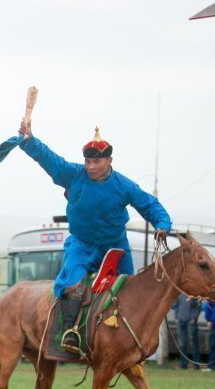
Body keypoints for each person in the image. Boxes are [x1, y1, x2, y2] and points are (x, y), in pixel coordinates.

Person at [16, 122, 171, 354]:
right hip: (82, 244)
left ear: (109, 161)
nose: (91, 166)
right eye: (88, 161)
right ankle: (70, 331)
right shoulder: (73, 175)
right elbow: (49, 159)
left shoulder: (124, 185)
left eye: (96, 161)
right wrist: (29, 140)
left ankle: (129, 341)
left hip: (116, 246)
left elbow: (149, 204)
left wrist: (162, 225)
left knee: (129, 287)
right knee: (74, 283)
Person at [172, 294, 201, 369]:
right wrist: (176, 317)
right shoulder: (179, 294)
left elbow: (198, 307)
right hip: (180, 321)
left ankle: (196, 364)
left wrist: (194, 318)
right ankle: (184, 364)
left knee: (194, 343)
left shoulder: (194, 294)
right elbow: (175, 306)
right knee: (182, 343)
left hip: (190, 321)